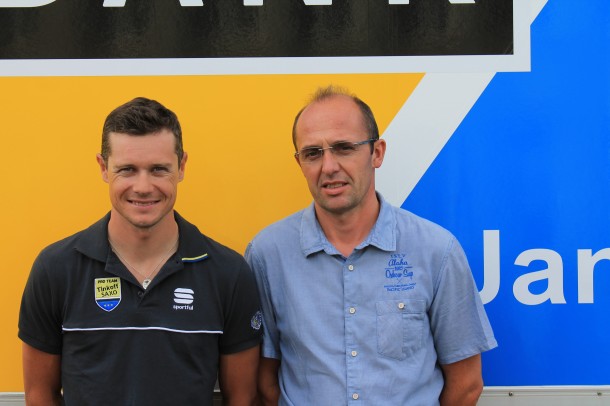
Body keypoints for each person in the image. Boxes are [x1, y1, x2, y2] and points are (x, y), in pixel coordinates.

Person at [245, 86, 498, 405]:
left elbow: (466, 384)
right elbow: (264, 381)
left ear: (376, 152)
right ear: (299, 162)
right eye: (313, 153)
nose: (329, 167)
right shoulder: (268, 254)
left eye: (343, 148)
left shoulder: (436, 250)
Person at [19, 97, 262, 405]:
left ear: (182, 166)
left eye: (159, 169)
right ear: (104, 168)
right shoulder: (55, 269)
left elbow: (242, 398)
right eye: (128, 169)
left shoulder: (228, 273)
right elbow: (39, 394)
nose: (143, 186)